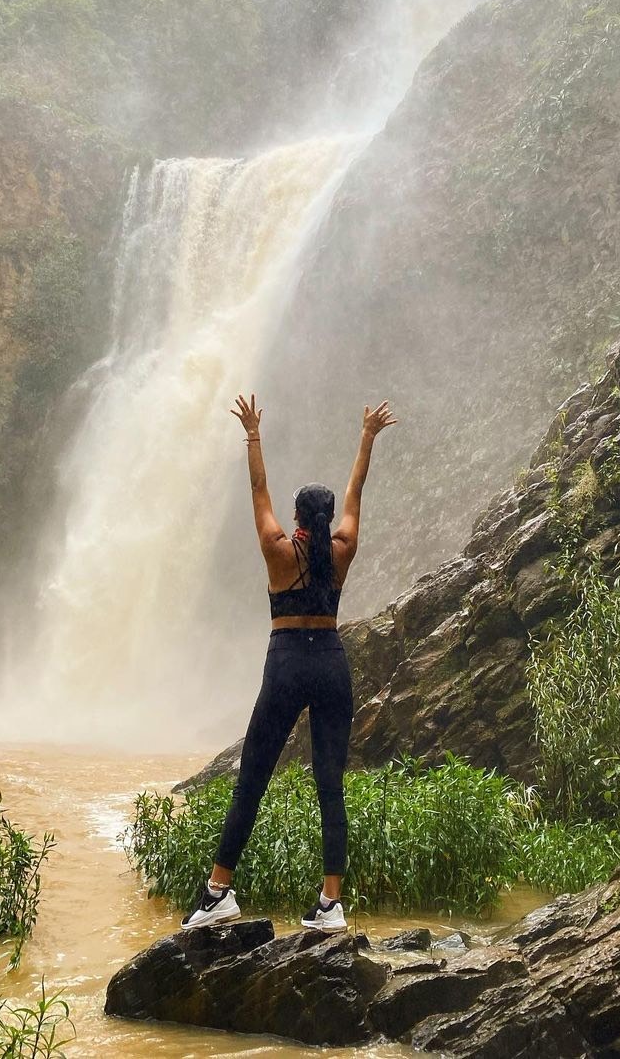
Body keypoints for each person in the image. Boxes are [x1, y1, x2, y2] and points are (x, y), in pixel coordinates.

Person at [181, 393, 398, 933]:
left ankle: (219, 892)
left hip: (285, 663)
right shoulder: (342, 549)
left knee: (252, 777)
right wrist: (367, 436)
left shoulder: (279, 549)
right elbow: (357, 491)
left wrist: (253, 435)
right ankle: (330, 905)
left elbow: (258, 489)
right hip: (330, 661)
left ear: (299, 517)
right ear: (327, 521)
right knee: (331, 785)